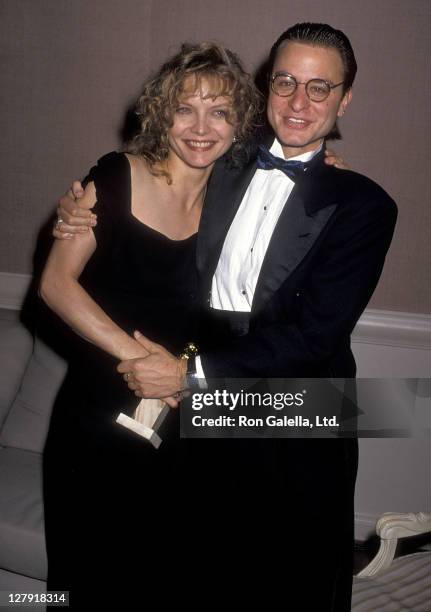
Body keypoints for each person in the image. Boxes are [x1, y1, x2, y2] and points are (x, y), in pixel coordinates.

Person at [53, 24, 381, 611]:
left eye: (319, 89)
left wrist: (187, 375)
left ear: (343, 98)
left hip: (298, 402)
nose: (299, 103)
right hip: (184, 401)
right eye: (285, 83)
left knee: (297, 575)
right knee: (194, 566)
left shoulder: (365, 203)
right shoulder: (225, 165)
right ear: (266, 88)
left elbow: (316, 334)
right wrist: (73, 216)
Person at [39, 41, 262, 608]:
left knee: (171, 577)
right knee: (83, 582)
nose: (201, 127)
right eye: (186, 108)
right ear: (163, 112)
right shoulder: (115, 176)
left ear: (240, 124)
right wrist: (143, 363)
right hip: (96, 417)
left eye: (220, 111)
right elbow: (55, 285)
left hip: (187, 423)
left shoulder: (237, 198)